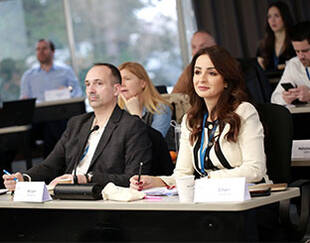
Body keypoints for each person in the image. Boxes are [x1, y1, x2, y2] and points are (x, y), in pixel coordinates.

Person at [130, 46, 269, 190]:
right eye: (197, 72)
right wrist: (155, 181)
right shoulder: (190, 119)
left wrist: (208, 180)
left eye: (212, 73)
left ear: (226, 80)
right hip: (207, 196)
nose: (201, 79)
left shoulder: (244, 111)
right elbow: (182, 174)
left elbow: (255, 170)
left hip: (246, 197)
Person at [3, 63, 152, 190]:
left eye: (98, 83)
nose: (91, 90)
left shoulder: (132, 126)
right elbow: (51, 165)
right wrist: (24, 178)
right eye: (87, 84)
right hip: (67, 196)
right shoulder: (77, 124)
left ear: (116, 90)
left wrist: (85, 179)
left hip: (102, 201)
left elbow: (133, 178)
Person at [20, 39, 83, 157]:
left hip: (62, 116)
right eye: (38, 49)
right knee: (49, 124)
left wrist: (66, 93)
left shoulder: (65, 71)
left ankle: (50, 163)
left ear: (53, 51)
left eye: (44, 48)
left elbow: (77, 93)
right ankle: (61, 160)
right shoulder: (28, 76)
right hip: (38, 120)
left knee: (52, 123)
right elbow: (24, 101)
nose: (41, 52)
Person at [118, 62, 172, 137]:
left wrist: (136, 115)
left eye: (127, 79)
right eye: (119, 80)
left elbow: (154, 143)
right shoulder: (119, 111)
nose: (122, 84)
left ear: (143, 83)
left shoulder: (161, 108)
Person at [271, 21, 310, 105]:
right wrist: (285, 98)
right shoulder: (294, 64)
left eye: (305, 51)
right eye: (297, 51)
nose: (301, 56)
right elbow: (274, 98)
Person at [256, 1, 296, 72]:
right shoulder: (263, 46)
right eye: (269, 17)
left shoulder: (295, 41)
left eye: (277, 16)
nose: (272, 20)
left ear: (284, 17)